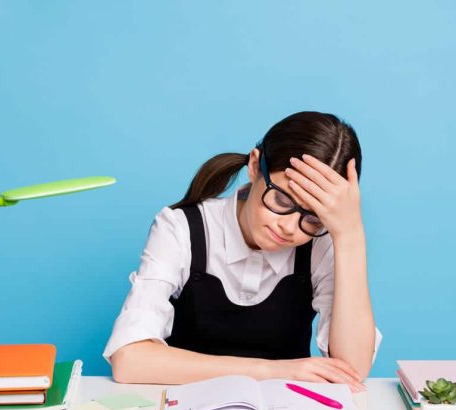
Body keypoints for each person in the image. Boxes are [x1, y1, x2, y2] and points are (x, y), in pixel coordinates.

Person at [103, 111, 381, 392]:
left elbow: (352, 370)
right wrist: (270, 370)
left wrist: (350, 235)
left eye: (312, 217)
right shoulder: (181, 228)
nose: (288, 227)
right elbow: (129, 359)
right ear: (254, 165)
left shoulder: (321, 242)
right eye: (282, 198)